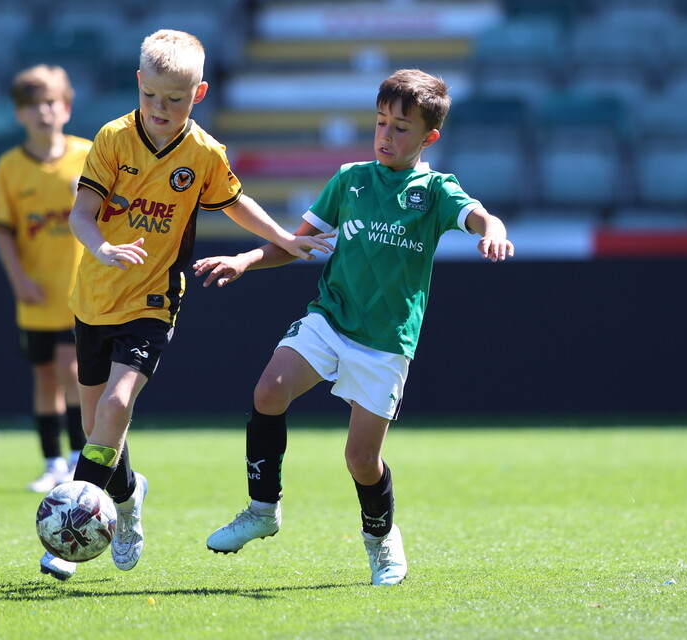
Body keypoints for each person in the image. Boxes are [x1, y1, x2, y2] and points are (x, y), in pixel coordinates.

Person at [195, 68, 515, 586]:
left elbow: (478, 216)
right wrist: (247, 258)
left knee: (361, 460)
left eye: (401, 128)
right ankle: (262, 509)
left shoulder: (434, 191)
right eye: (381, 122)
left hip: (386, 343)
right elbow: (298, 243)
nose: (386, 135)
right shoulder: (349, 180)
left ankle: (381, 541)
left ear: (429, 137)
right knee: (269, 390)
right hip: (330, 318)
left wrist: (493, 230)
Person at [49, 29, 333, 582]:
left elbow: (236, 202)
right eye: (151, 95)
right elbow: (81, 214)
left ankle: (69, 536)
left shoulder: (202, 153)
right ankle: (127, 505)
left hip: (154, 302)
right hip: (93, 299)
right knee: (98, 429)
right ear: (138, 83)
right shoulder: (111, 139)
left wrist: (283, 237)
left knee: (115, 404)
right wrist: (102, 246)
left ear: (198, 94)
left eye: (174, 99)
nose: (160, 108)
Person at [0, 64, 89, 499]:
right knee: (45, 376)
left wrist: (84, 199)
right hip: (36, 293)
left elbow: (118, 213)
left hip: (80, 292)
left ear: (65, 108)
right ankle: (52, 462)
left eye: (50, 102)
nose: (42, 112)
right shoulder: (10, 166)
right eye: (32, 105)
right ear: (19, 114)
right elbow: (2, 229)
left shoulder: (87, 155)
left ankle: (77, 460)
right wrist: (20, 282)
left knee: (73, 372)